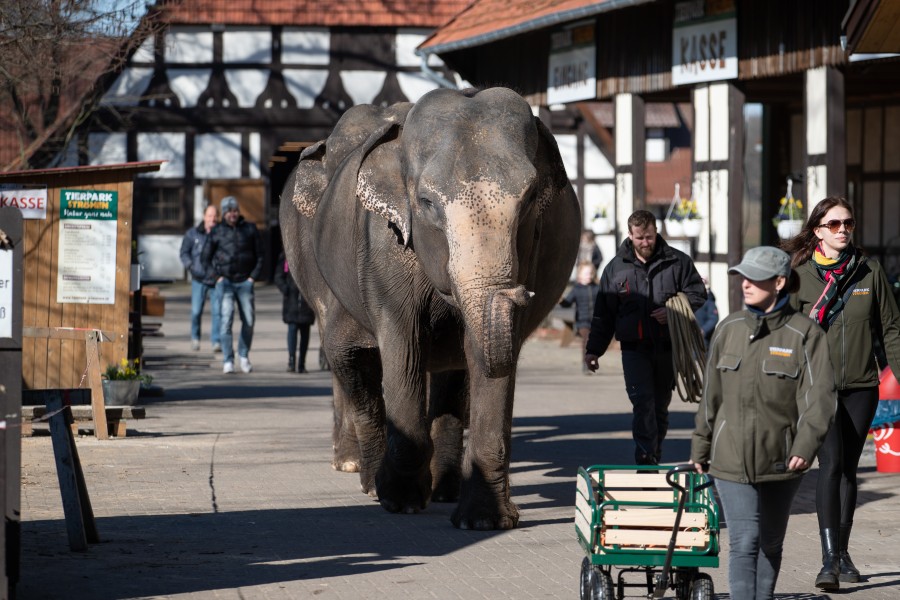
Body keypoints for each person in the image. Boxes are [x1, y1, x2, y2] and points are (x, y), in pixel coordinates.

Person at [691, 245, 836, 600]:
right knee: (744, 540)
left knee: (770, 541)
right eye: (743, 276)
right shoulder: (728, 329)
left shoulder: (805, 334)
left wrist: (805, 446)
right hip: (729, 457)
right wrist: (701, 445)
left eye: (755, 277)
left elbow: (820, 398)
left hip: (782, 459)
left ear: (780, 282)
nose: (745, 284)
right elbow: (711, 395)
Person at [782, 196, 900, 590]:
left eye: (847, 223)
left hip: (862, 387)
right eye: (833, 224)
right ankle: (828, 559)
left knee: (849, 468)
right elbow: (786, 333)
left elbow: (892, 329)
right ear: (817, 230)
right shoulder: (800, 274)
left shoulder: (869, 272)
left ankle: (844, 553)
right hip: (817, 389)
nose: (843, 230)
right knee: (830, 466)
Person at [584, 209, 706, 464]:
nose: (646, 243)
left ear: (656, 232)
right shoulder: (615, 268)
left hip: (667, 347)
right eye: (640, 238)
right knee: (643, 404)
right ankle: (645, 459)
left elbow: (698, 293)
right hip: (633, 349)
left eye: (649, 237)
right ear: (630, 235)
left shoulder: (678, 261)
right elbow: (603, 314)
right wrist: (594, 350)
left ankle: (654, 452)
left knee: (660, 407)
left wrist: (674, 309)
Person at [201, 196, 263, 374]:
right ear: (224, 214)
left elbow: (261, 255)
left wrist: (253, 277)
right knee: (225, 321)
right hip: (225, 282)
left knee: (249, 321)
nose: (232, 214)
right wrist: (216, 278)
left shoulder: (250, 229)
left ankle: (243, 355)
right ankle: (228, 359)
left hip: (245, 282)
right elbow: (205, 258)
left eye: (234, 210)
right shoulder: (217, 231)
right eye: (228, 211)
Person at [180, 204, 222, 353]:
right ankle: (195, 338)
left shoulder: (221, 233)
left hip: (216, 279)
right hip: (198, 278)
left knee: (218, 312)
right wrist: (191, 266)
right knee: (196, 311)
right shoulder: (192, 234)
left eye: (215, 215)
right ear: (204, 217)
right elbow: (184, 253)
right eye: (210, 215)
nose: (213, 219)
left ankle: (216, 341)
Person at [274, 251, 316, 373]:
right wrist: (285, 289)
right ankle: (291, 360)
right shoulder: (286, 256)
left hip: (306, 303)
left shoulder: (311, 257)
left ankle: (302, 363)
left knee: (305, 333)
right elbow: (278, 276)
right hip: (291, 301)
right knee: (292, 330)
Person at [559, 262, 600, 372]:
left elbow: (604, 301)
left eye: (591, 273)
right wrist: (561, 300)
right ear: (580, 275)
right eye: (586, 273)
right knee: (587, 340)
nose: (589, 276)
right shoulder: (576, 289)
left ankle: (592, 360)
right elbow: (567, 303)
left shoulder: (597, 288)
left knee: (595, 343)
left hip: (596, 321)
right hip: (582, 322)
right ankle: (585, 364)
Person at [694, 277, 719, 348]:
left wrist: (703, 330)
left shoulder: (709, 300)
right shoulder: (694, 298)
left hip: (703, 339)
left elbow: (713, 318)